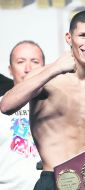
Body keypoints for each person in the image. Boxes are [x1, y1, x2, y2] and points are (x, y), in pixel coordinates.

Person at [0, 10, 85, 190]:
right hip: (51, 180)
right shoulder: (46, 77)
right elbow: (6, 105)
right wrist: (55, 68)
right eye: (83, 35)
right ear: (69, 38)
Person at [0, 40, 45, 190]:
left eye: (35, 61)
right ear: (10, 69)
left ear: (45, 68)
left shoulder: (59, 104)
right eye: (20, 62)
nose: (28, 68)